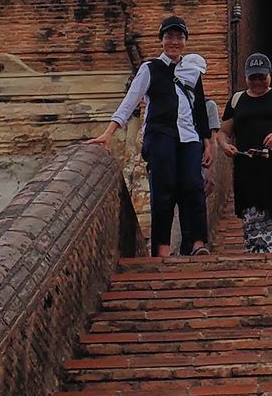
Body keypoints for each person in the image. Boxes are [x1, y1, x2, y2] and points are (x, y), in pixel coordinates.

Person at [91, 15, 213, 258]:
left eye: (179, 37)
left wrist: (207, 142)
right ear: (162, 40)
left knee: (193, 186)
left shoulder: (192, 72)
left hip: (189, 137)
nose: (174, 42)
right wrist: (109, 132)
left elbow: (199, 108)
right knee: (164, 188)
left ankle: (198, 243)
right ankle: (162, 248)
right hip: (160, 134)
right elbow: (130, 101)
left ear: (185, 41)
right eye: (169, 37)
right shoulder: (150, 69)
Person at [217, 52, 272, 253]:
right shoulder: (237, 100)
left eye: (262, 77)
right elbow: (223, 132)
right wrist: (224, 145)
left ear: (269, 75)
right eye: (253, 77)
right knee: (255, 238)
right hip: (249, 172)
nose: (257, 82)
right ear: (246, 77)